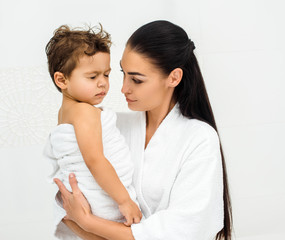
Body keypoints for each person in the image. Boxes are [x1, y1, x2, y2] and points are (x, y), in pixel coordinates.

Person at [54, 20, 233, 240]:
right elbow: (66, 193)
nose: (123, 88)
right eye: (122, 74)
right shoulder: (110, 126)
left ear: (174, 77)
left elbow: (183, 230)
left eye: (136, 80)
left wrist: (87, 222)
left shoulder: (200, 139)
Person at [43, 24, 142, 239]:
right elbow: (94, 160)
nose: (103, 84)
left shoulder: (66, 113)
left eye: (106, 75)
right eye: (92, 77)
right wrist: (124, 200)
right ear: (62, 80)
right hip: (104, 199)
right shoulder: (84, 112)